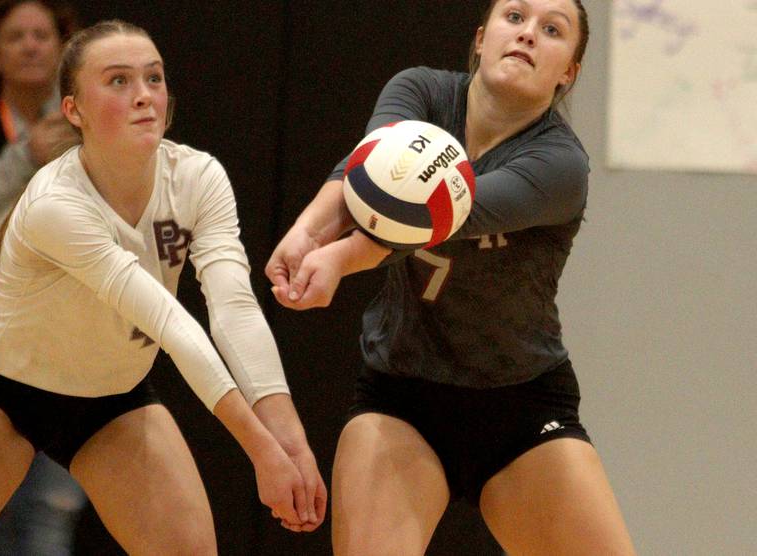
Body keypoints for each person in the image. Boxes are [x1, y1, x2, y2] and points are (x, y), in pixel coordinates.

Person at [267, 1, 637, 554]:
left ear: (569, 73)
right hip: (402, 396)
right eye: (515, 17)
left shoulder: (559, 165)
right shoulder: (419, 92)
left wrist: (338, 259)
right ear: (483, 36)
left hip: (520, 407)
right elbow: (368, 174)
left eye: (553, 30)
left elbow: (428, 215)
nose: (529, 34)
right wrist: (305, 232)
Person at [0, 19, 325, 555]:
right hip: (0, 389)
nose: (144, 97)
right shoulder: (55, 202)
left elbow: (234, 311)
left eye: (153, 78)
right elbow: (171, 324)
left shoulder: (197, 176)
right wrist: (261, 452)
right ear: (73, 110)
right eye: (118, 81)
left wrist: (289, 440)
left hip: (111, 397)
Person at [0, 1, 88, 553]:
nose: (32, 45)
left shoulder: (92, 123)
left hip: (68, 347)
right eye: (16, 37)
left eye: (43, 35)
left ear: (64, 50)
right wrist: (25, 157)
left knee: (50, 519)